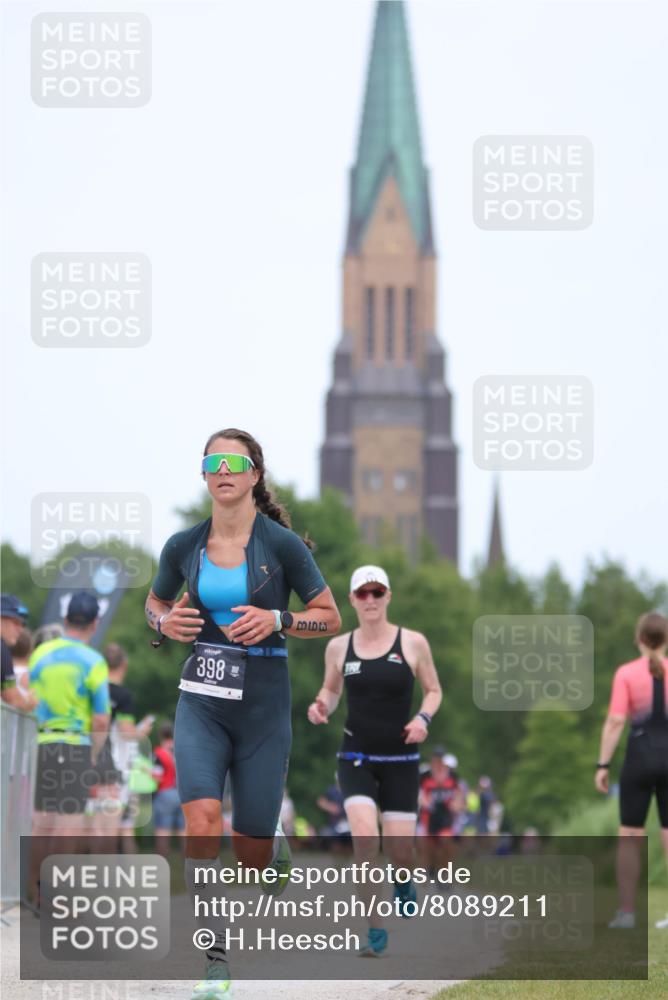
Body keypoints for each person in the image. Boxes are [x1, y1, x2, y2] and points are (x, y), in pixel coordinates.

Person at [144, 427, 341, 997]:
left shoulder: (281, 546)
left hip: (262, 706)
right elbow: (156, 602)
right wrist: (163, 623)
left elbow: (329, 617)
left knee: (249, 855)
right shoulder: (183, 546)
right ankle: (214, 959)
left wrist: (279, 620)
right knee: (201, 822)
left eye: (235, 461)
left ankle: (271, 844)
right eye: (212, 462)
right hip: (201, 702)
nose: (223, 470)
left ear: (255, 474)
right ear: (204, 475)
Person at [308, 564, 442, 956]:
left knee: (400, 852)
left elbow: (433, 691)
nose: (370, 600)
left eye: (376, 592)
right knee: (365, 841)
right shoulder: (338, 647)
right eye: (362, 594)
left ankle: (403, 879)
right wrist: (321, 707)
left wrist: (423, 718)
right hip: (355, 757)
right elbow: (330, 692)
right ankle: (374, 929)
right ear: (351, 600)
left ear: (387, 597)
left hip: (401, 758)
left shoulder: (413, 643)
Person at [28, 592, 111, 900]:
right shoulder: (93, 661)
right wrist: (93, 754)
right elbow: (101, 719)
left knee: (41, 823)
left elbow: (28, 699)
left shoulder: (41, 654)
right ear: (95, 623)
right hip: (75, 743)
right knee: (69, 825)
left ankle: (31, 891)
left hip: (42, 740)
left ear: (65, 620)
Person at [595, 611, 668, 930]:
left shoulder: (626, 673)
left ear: (638, 639)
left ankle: (627, 912)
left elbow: (615, 721)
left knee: (630, 837)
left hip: (638, 760)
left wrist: (603, 764)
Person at [92, 642, 154, 843]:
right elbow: (127, 733)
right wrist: (141, 731)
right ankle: (104, 871)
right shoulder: (123, 696)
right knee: (110, 824)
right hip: (115, 764)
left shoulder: (93, 690)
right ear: (124, 664)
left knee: (93, 821)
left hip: (89, 757)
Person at [418, 748, 465, 875]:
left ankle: (444, 873)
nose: (438, 762)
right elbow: (419, 793)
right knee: (430, 847)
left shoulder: (452, 776)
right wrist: (424, 802)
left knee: (446, 842)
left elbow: (459, 794)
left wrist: (456, 804)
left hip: (446, 815)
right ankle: (431, 868)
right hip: (429, 816)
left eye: (440, 759)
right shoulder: (425, 776)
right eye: (435, 759)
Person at [152, 722, 184, 856]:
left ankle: (163, 861)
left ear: (160, 735)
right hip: (182, 793)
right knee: (184, 830)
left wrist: (145, 770)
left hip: (165, 793)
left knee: (162, 830)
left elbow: (157, 776)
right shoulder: (181, 749)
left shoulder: (159, 753)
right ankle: (189, 862)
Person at [1, 594, 37, 710]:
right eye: (15, 623)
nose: (20, 630)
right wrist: (30, 701)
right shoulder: (2, 650)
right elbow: (14, 700)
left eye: (22, 624)